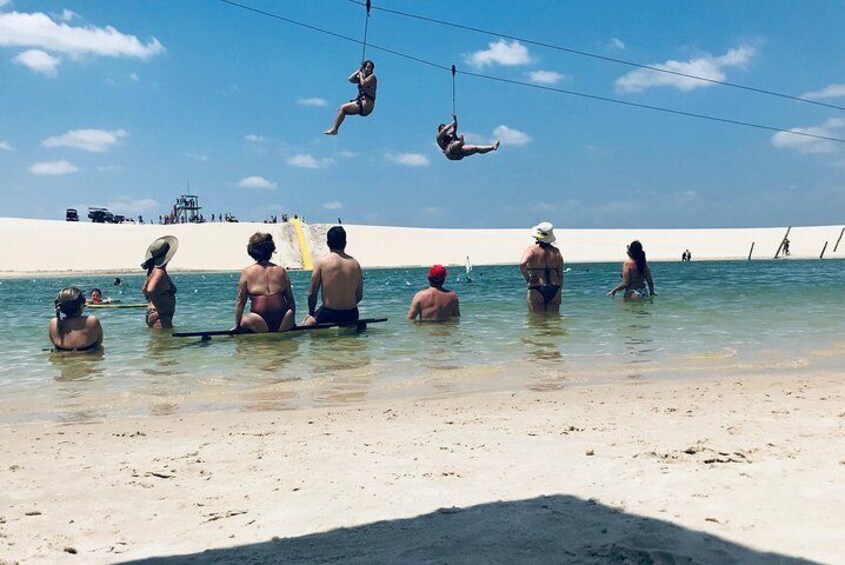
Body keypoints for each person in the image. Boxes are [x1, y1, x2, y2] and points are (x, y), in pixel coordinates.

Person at [234, 233, 296, 333]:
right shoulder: (281, 271)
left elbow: (241, 301)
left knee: (244, 320)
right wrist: (292, 321)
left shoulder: (247, 272)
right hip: (284, 319)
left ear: (252, 251)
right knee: (290, 313)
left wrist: (237, 325)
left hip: (258, 320)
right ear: (271, 250)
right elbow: (291, 301)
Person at [302, 226, 363, 326]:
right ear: (345, 243)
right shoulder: (355, 264)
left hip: (330, 313)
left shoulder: (321, 262)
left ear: (327, 243)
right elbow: (359, 296)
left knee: (307, 323)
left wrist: (310, 313)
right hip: (352, 313)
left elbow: (312, 293)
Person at [323, 60, 377, 135]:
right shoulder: (363, 77)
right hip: (362, 105)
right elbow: (350, 79)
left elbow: (364, 84)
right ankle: (335, 129)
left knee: (343, 107)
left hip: (367, 106)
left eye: (371, 68)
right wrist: (359, 70)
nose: (370, 69)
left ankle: (334, 129)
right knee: (342, 109)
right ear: (364, 68)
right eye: (368, 67)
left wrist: (361, 74)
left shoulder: (372, 77)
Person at [520, 222, 564, 314]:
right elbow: (560, 273)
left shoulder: (532, 250)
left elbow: (522, 263)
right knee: (555, 321)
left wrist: (528, 278)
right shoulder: (556, 251)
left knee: (537, 322)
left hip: (537, 287)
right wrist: (559, 288)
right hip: (554, 287)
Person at [49, 286, 103, 353]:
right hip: (87, 362)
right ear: (81, 305)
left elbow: (53, 343)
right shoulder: (92, 321)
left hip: (62, 362)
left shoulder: (54, 322)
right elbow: (99, 343)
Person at [142, 235, 178, 329]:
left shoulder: (152, 271)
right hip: (161, 316)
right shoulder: (159, 272)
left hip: (155, 314)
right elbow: (150, 290)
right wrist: (162, 309)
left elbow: (144, 290)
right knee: (164, 343)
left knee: (158, 342)